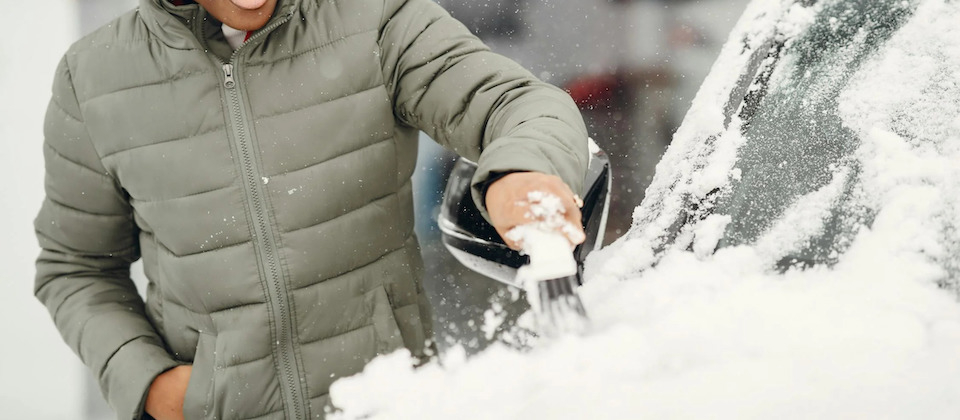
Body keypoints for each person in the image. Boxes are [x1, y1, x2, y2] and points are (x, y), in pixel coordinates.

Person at [34, 0, 588, 419]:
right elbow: (76, 269)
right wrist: (151, 385)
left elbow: (515, 102)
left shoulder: (376, 18)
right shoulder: (95, 78)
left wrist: (522, 171)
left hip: (384, 404)